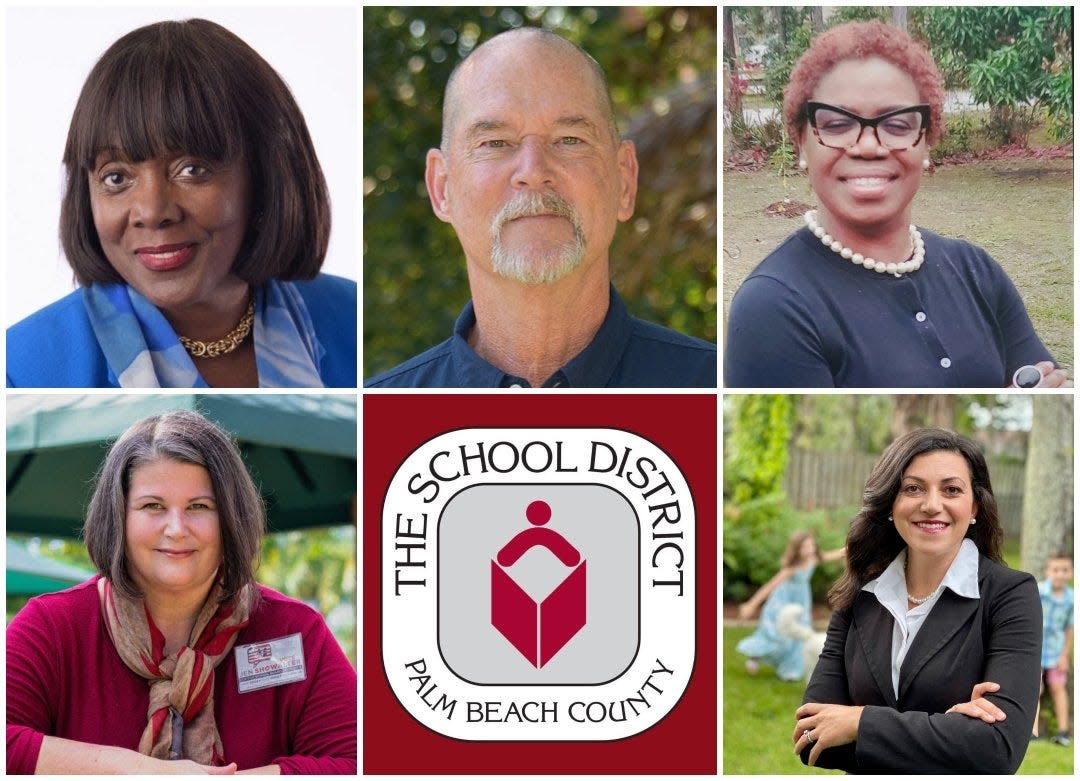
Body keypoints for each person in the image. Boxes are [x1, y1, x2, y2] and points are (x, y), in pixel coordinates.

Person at [6, 19, 356, 388]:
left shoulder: (349, 317)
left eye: (192, 169)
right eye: (116, 177)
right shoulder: (19, 373)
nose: (153, 212)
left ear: (266, 177)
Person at [364, 26, 716, 388]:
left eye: (569, 140)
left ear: (624, 180)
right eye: (495, 142)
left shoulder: (709, 386)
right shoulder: (382, 414)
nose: (533, 172)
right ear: (442, 187)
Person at [7, 410, 356, 773]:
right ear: (118, 517)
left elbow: (363, 760)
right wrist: (142, 772)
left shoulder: (294, 631)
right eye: (152, 506)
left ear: (231, 519)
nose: (176, 528)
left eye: (200, 506)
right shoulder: (52, 626)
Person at [724, 21, 1068, 389]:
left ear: (926, 143)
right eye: (838, 124)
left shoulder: (976, 271)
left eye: (898, 124)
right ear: (800, 143)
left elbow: (1054, 391)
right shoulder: (774, 307)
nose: (869, 146)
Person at [792, 428, 1040, 773]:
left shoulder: (1010, 595)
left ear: (975, 508)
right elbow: (811, 738)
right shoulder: (859, 594)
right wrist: (949, 730)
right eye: (913, 488)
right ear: (890, 504)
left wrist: (859, 722)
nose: (932, 505)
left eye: (951, 489)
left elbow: (998, 750)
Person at [736, 531, 844, 681]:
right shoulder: (792, 567)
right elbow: (770, 586)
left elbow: (836, 554)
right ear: (796, 549)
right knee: (775, 634)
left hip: (801, 602)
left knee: (799, 634)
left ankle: (791, 668)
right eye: (805, 546)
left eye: (811, 545)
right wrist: (751, 605)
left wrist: (853, 547)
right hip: (782, 602)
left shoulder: (814, 559)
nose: (810, 549)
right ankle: (755, 655)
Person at [1033, 552, 1073, 746]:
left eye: (1064, 570)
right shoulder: (1038, 591)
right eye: (1055, 570)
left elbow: (1070, 629)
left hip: (1056, 653)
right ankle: (1033, 730)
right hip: (1035, 651)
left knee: (1058, 687)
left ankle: (1064, 731)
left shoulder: (1071, 600)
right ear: (1048, 571)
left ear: (1071, 573)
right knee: (1035, 688)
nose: (1060, 574)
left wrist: (1065, 655)